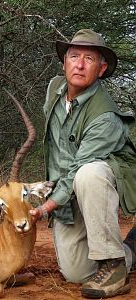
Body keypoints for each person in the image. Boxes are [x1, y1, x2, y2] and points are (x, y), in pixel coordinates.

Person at [29, 29, 136, 299]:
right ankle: (132, 248)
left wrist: (45, 208)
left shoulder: (105, 117)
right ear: (64, 62)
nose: (79, 64)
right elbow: (57, 149)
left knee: (89, 173)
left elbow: (78, 167)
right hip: (69, 187)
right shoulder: (54, 89)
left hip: (102, 182)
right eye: (74, 56)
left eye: (89, 59)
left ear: (100, 70)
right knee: (75, 273)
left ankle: (113, 264)